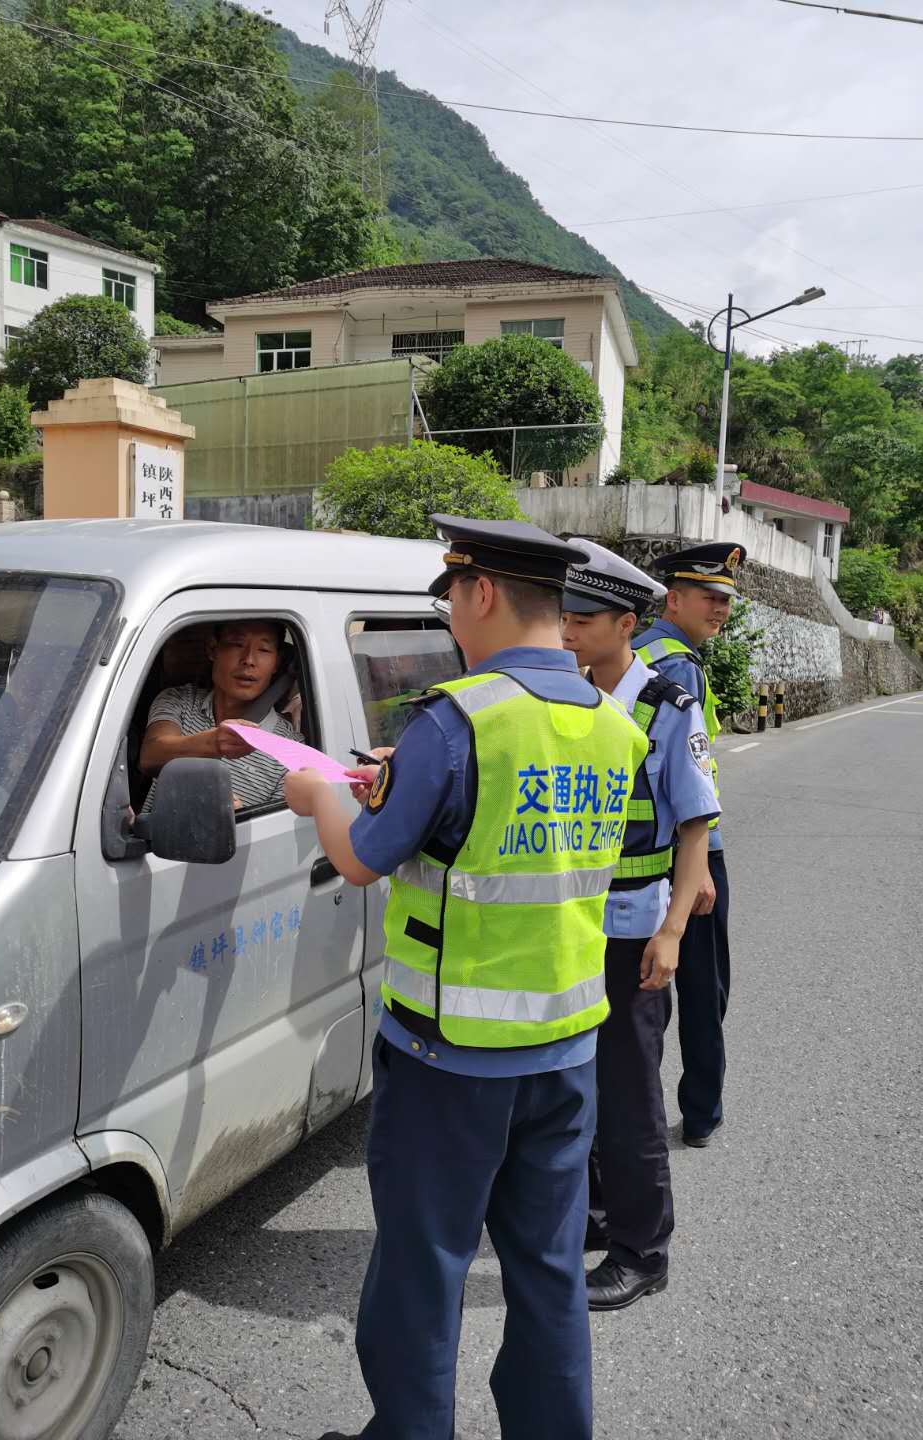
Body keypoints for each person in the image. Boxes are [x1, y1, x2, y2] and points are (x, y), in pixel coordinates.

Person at [284, 516, 649, 1440]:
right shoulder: (613, 722)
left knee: (425, 1264)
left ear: (481, 592)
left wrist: (322, 792)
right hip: (566, 1050)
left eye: (451, 596)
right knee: (549, 1267)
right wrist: (403, 785)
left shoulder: (459, 717)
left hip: (451, 1057)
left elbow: (363, 860)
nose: (450, 615)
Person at [560, 541, 719, 1311]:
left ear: (627, 623)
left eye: (583, 619)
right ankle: (597, 1218)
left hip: (633, 926)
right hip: (572, 927)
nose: (567, 630)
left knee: (628, 1096)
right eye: (563, 615)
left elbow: (695, 831)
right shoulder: (569, 696)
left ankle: (642, 1249)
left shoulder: (666, 706)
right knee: (581, 1083)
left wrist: (673, 933)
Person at [631, 542, 747, 1148]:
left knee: (645, 985)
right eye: (709, 596)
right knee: (703, 985)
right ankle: (700, 1110)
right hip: (689, 850)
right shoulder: (676, 664)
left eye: (726, 598)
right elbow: (672, 770)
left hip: (645, 847)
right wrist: (693, 866)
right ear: (672, 599)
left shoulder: (643, 650)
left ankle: (635, 1107)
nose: (720, 607)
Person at [139, 617, 299, 813]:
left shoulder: (291, 750)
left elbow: (274, 832)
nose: (249, 660)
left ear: (277, 662)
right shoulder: (179, 700)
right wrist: (213, 743)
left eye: (264, 650)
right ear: (213, 649)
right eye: (237, 644)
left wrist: (235, 817)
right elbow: (151, 756)